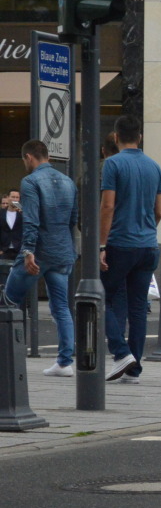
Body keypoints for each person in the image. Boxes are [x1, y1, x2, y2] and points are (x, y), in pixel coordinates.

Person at [100, 115, 161, 383]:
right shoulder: (155, 167)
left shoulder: (112, 164)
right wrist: (147, 228)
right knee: (138, 307)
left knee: (99, 298)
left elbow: (107, 206)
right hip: (148, 245)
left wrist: (102, 244)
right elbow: (159, 210)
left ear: (116, 137)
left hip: (120, 243)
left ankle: (121, 352)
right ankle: (134, 369)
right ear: (140, 137)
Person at [5, 140, 77, 377]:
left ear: (29, 157)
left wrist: (27, 252)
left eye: (24, 160)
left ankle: (7, 355)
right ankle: (65, 362)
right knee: (61, 307)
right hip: (62, 251)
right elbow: (72, 220)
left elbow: (33, 221)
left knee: (9, 300)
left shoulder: (30, 181)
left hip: (38, 252)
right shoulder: (68, 181)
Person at [0, 187, 23, 264]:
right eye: (13, 197)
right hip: (4, 250)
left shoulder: (22, 214)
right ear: (8, 198)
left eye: (17, 197)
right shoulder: (1, 213)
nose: (15, 199)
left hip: (19, 250)